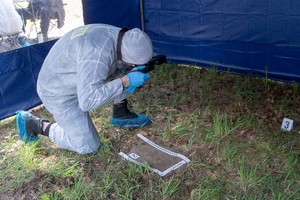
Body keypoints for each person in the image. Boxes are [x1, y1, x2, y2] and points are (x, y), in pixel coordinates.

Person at [16, 24, 153, 154]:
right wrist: (125, 81)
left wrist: (125, 76)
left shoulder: (119, 36)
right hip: (58, 92)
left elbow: (106, 67)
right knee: (88, 145)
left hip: (76, 78)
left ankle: (121, 113)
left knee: (122, 74)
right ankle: (35, 124)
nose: (132, 65)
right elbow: (87, 101)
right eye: (132, 63)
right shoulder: (97, 53)